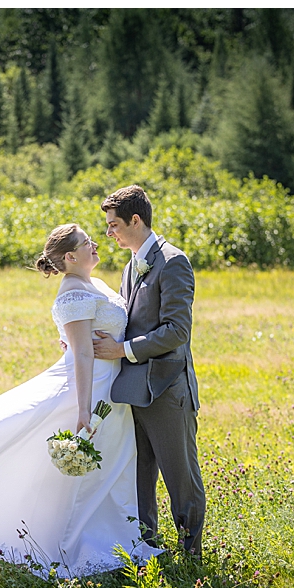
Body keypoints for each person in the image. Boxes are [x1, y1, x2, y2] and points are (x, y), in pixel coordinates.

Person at [0, 223, 161, 585]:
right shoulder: (72, 291)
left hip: (110, 388)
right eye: (87, 242)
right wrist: (83, 409)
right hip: (88, 388)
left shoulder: (94, 283)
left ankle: (109, 542)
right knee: (39, 459)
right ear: (70, 256)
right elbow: (82, 353)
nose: (95, 244)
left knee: (107, 467)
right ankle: (57, 543)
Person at [93, 185, 205, 561]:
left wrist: (122, 350)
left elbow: (177, 331)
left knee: (180, 477)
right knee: (139, 476)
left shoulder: (173, 262)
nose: (109, 233)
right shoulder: (131, 264)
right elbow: (131, 320)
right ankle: (148, 549)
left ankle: (191, 555)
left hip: (168, 389)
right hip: (134, 391)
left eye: (113, 225)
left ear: (135, 220)